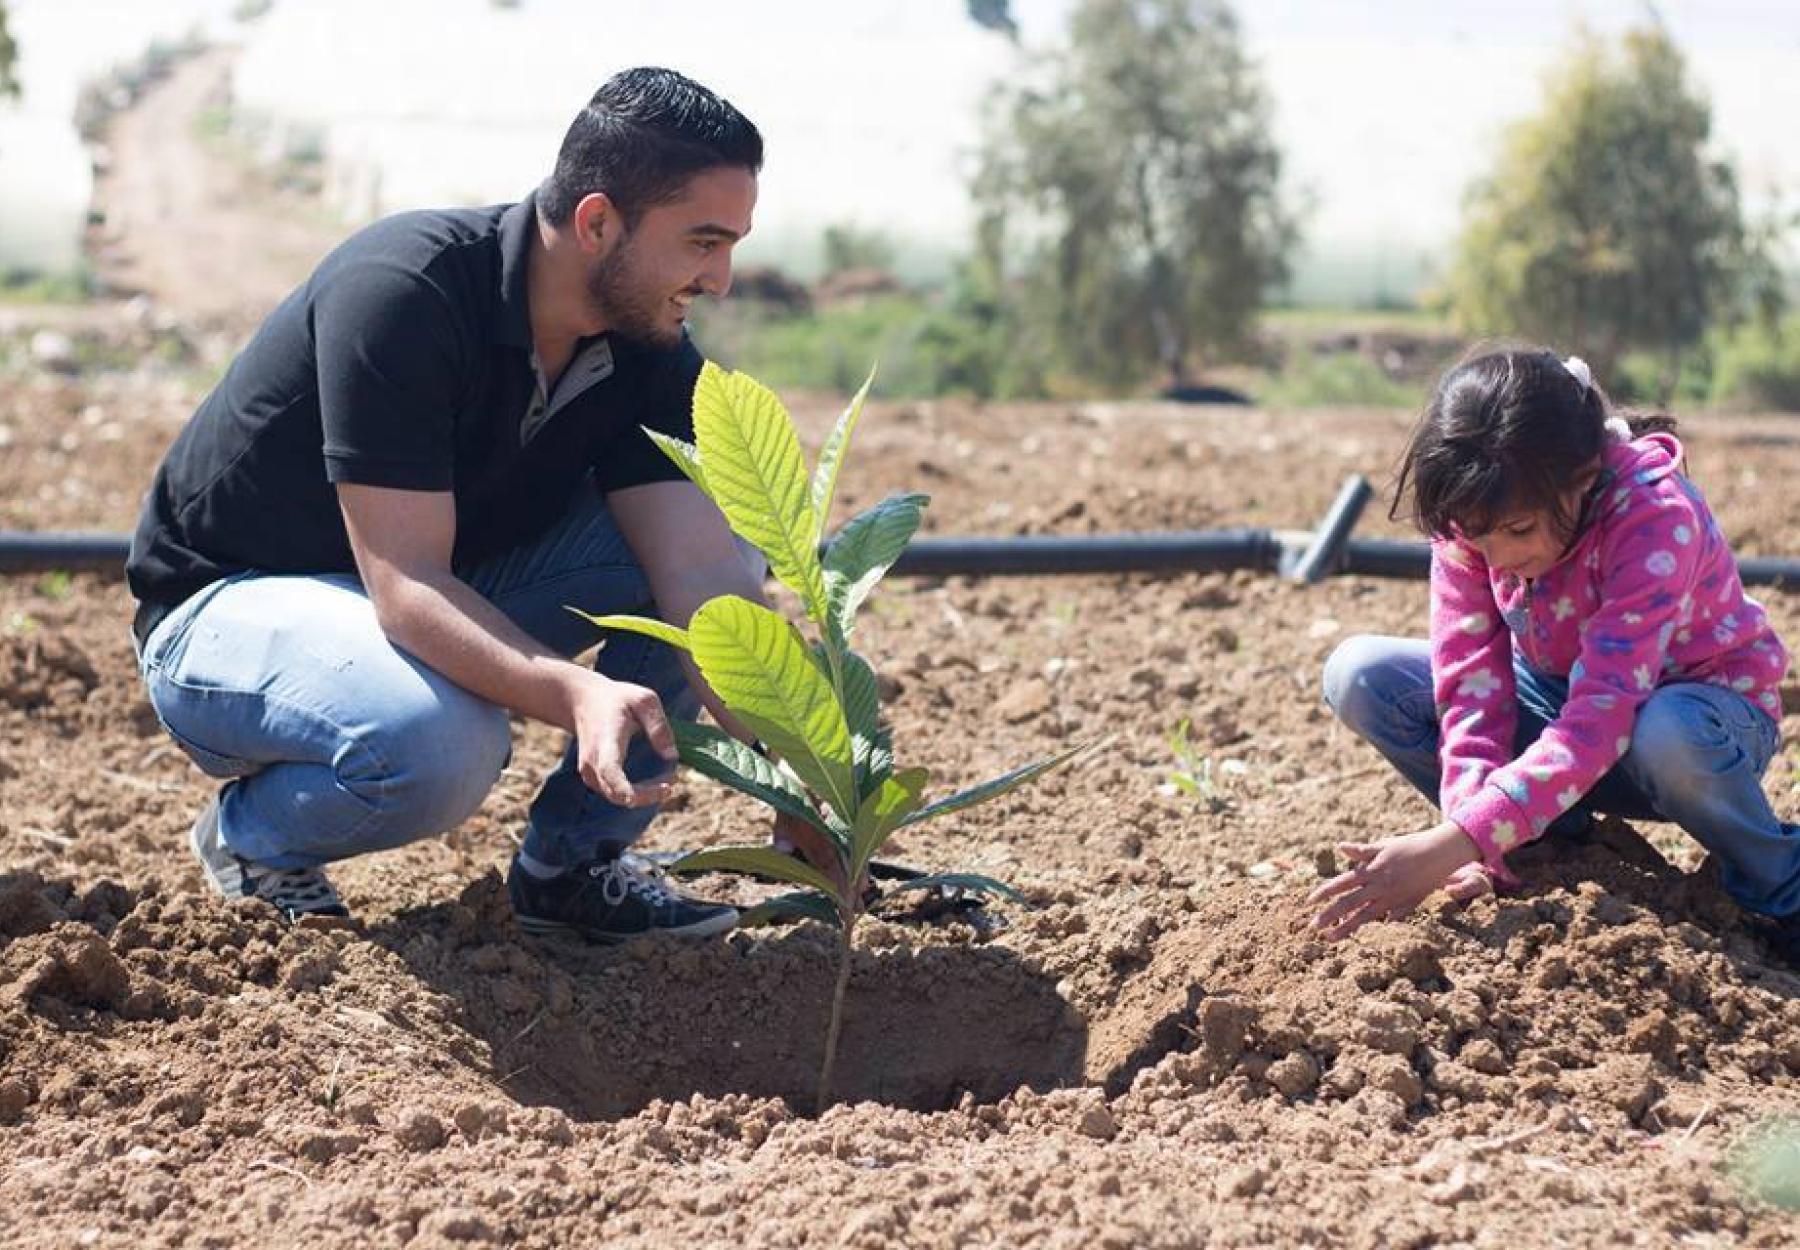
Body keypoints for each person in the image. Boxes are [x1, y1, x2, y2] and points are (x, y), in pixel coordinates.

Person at [127, 67, 788, 941]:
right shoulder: (409, 290)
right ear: (598, 222)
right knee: (441, 746)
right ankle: (254, 839)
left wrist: (802, 774)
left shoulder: (648, 352)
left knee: (729, 546)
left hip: (415, 594)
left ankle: (572, 867)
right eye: (703, 241)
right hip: (227, 614)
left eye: (732, 243)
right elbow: (406, 583)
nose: (722, 278)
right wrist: (573, 691)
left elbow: (700, 578)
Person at [1310, 346, 1799, 959]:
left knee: (1665, 731)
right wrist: (1479, 842)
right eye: (1480, 539)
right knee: (1361, 674)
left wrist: (1451, 841)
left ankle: (1782, 887)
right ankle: (1536, 839)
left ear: (1583, 477)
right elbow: (1472, 691)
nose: (1499, 559)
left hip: (1698, 724)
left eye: (1517, 531)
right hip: (1558, 702)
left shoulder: (1653, 518)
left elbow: (1603, 714)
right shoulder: (1476, 510)